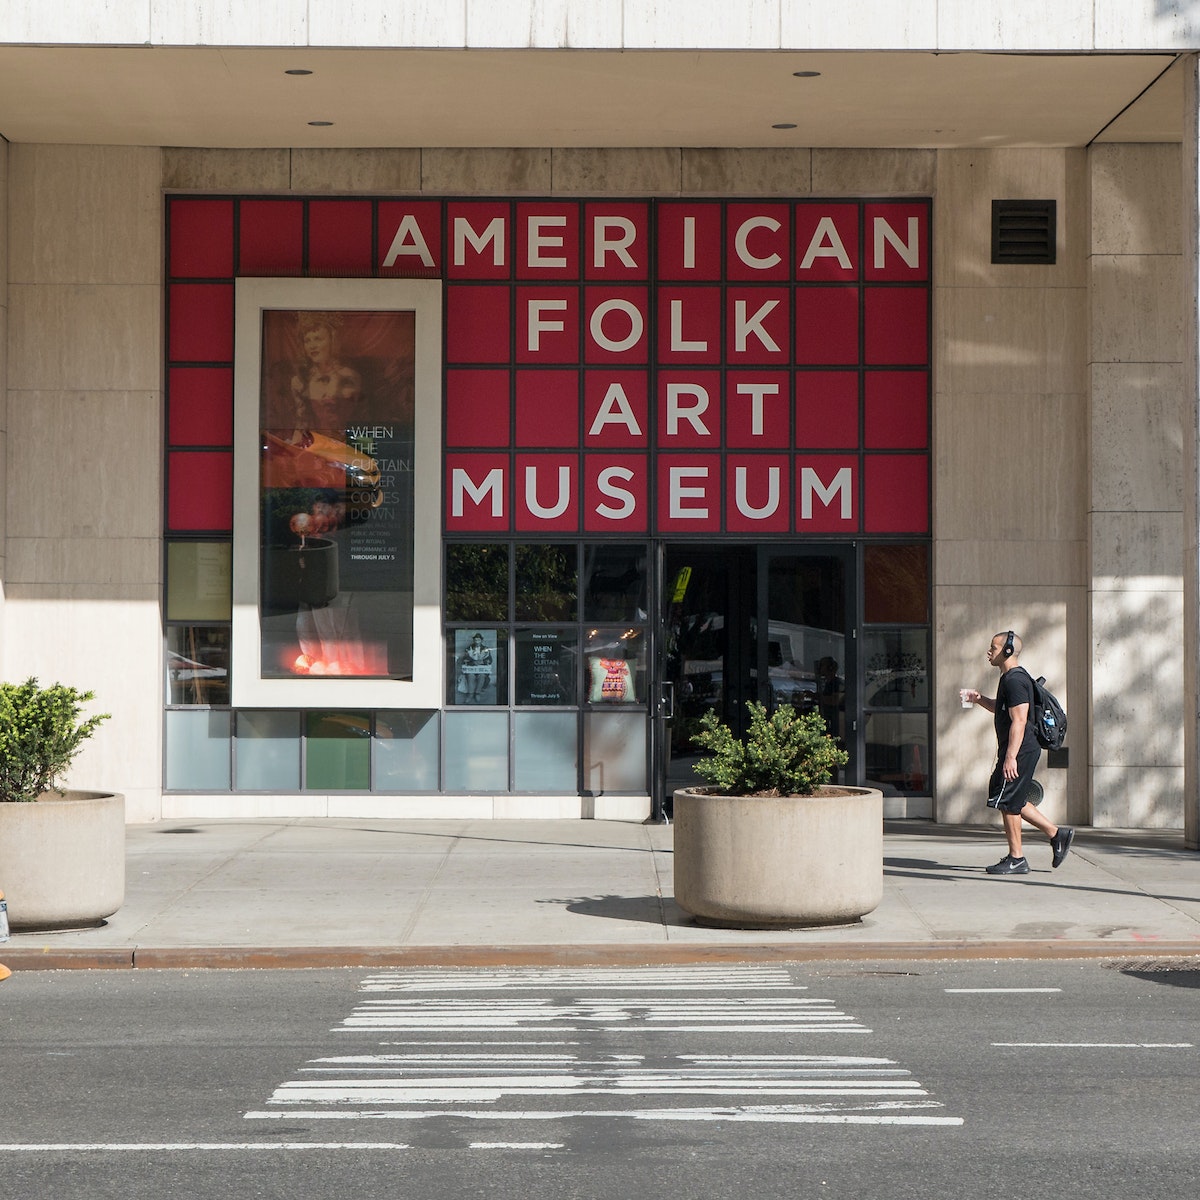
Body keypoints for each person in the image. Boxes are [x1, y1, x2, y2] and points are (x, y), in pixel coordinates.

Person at [962, 630, 1074, 875]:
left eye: (993, 647)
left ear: (1008, 651)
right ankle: (1057, 834)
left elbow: (1020, 720)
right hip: (1018, 749)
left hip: (1020, 750)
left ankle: (1017, 858)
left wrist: (1011, 756)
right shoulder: (1009, 679)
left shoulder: (1015, 680)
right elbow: (1003, 711)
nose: (989, 652)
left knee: (1008, 801)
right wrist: (979, 698)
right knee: (1011, 799)